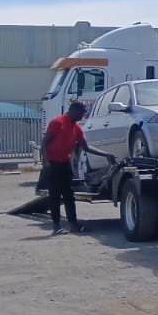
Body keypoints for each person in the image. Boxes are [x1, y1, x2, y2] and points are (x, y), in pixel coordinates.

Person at [42, 100, 115, 235]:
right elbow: (45, 142)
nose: (82, 116)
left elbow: (86, 147)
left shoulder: (76, 127)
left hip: (65, 164)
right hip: (53, 164)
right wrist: (46, 163)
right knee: (55, 196)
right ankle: (56, 225)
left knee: (69, 196)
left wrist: (106, 154)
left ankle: (73, 224)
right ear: (73, 110)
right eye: (81, 113)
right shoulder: (57, 122)